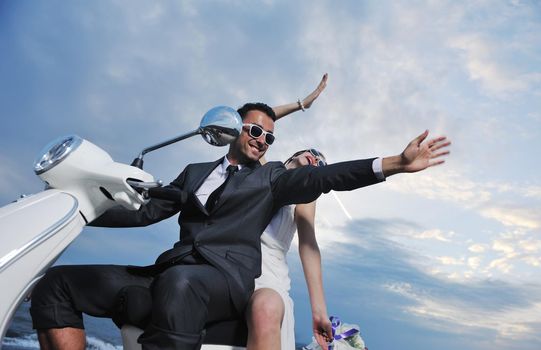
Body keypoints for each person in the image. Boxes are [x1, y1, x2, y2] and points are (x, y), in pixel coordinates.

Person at [30, 97, 450, 349]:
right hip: (168, 270)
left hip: (223, 281)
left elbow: (326, 177)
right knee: (57, 284)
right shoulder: (194, 171)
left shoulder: (274, 179)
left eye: (269, 137)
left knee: (184, 285)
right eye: (254, 130)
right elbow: (145, 211)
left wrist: (394, 163)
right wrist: (72, 210)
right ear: (234, 130)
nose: (261, 139)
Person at [247, 149, 331, 350]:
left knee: (267, 308)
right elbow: (255, 123)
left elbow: (308, 245)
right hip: (231, 263)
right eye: (314, 153)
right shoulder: (263, 170)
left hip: (267, 276)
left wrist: (319, 310)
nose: (317, 159)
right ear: (295, 154)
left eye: (320, 165)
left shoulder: (306, 196)